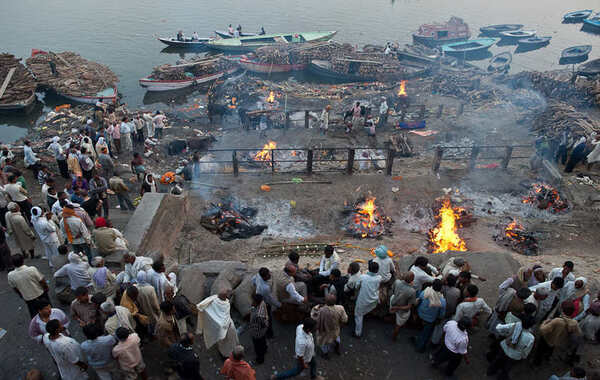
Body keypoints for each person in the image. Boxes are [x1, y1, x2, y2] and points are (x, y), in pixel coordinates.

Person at [534, 301, 583, 366]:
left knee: (540, 351)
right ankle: (547, 358)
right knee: (550, 349)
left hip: (547, 339)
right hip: (558, 341)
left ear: (562, 310)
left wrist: (545, 322)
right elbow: (579, 333)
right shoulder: (574, 323)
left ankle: (537, 362)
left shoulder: (557, 320)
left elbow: (542, 330)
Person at [196, 288, 239, 358]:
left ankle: (224, 352)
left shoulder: (214, 299)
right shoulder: (226, 304)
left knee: (221, 342)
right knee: (229, 342)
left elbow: (204, 307)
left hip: (218, 328)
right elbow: (226, 319)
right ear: (225, 297)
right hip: (227, 328)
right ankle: (227, 355)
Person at [414, 279, 446, 353]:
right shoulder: (442, 301)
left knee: (422, 328)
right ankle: (420, 347)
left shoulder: (425, 292)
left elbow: (419, 300)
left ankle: (418, 338)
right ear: (440, 288)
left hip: (420, 313)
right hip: (430, 319)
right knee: (426, 333)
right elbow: (441, 314)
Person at [311, 294, 347, 358]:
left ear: (325, 302)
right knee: (336, 338)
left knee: (324, 343)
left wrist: (317, 307)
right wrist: (340, 326)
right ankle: (337, 348)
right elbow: (344, 319)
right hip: (335, 329)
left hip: (324, 330)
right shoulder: (340, 308)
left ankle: (325, 354)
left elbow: (313, 316)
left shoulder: (320, 310)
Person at [354, 260, 382, 338]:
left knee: (358, 315)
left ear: (368, 269)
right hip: (374, 300)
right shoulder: (379, 278)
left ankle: (358, 333)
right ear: (377, 270)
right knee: (368, 309)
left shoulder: (363, 277)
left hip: (363, 300)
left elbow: (356, 287)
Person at [390, 271, 417, 341]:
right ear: (412, 280)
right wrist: (397, 308)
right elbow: (409, 306)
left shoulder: (397, 282)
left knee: (392, 299)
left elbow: (392, 292)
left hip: (393, 303)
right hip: (401, 309)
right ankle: (394, 337)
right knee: (398, 325)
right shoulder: (412, 291)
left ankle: (392, 318)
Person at [249, 293, 269, 364]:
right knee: (262, 341)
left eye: (253, 301)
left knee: (258, 347)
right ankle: (265, 349)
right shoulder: (262, 303)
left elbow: (262, 323)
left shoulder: (257, 315)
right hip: (262, 331)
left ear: (256, 302)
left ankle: (260, 359)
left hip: (257, 332)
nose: (251, 302)